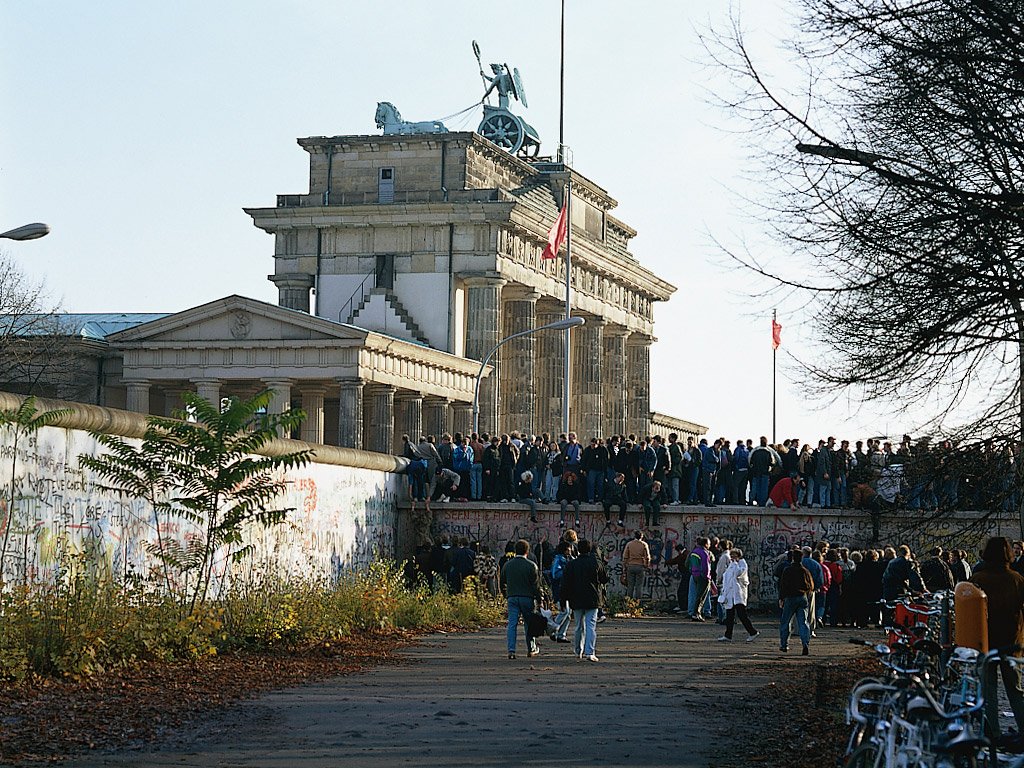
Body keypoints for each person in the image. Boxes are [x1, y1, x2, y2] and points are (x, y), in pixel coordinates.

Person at [970, 537, 1024, 739]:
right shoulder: (1017, 579)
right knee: (1015, 690)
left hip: (985, 640)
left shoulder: (978, 579)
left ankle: (992, 732)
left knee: (988, 691)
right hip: (1012, 640)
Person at [561, 539, 609, 662]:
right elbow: (604, 579)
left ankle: (578, 651)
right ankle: (590, 652)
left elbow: (565, 584)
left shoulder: (572, 564)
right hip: (592, 598)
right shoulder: (595, 563)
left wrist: (563, 600)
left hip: (576, 599)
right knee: (590, 626)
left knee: (578, 626)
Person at [500, 539, 542, 659]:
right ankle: (531, 648)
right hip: (527, 598)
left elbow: (502, 582)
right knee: (529, 624)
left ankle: (511, 650)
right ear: (527, 551)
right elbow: (535, 585)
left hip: (512, 597)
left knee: (512, 624)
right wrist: (539, 599)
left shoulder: (507, 565)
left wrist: (505, 594)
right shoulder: (531, 565)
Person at [717, 548, 759, 642]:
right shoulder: (731, 565)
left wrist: (735, 564)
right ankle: (728, 635)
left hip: (738, 594)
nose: (732, 557)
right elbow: (727, 577)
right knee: (729, 616)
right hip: (731, 595)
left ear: (739, 555)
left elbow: (738, 574)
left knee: (742, 615)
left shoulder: (742, 564)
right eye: (731, 556)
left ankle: (752, 632)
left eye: (734, 555)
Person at [778, 549, 814, 655]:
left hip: (790, 598)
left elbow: (783, 585)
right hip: (802, 597)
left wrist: (781, 598)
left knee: (786, 622)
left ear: (793, 558)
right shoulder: (804, 571)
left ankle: (784, 644)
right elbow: (810, 585)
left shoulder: (788, 570)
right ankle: (805, 643)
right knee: (803, 622)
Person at [688, 537, 713, 621]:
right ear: (705, 544)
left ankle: (694, 613)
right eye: (709, 544)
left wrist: (692, 570)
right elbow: (706, 566)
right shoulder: (704, 553)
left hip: (694, 575)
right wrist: (707, 577)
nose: (710, 545)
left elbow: (688, 563)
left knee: (695, 595)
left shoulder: (694, 552)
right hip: (702, 576)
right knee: (701, 597)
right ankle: (697, 614)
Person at [622, 529, 650, 600]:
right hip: (640, 566)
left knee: (630, 586)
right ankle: (638, 603)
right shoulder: (644, 544)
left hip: (630, 566)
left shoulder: (629, 544)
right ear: (641, 536)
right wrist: (646, 565)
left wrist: (624, 567)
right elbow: (647, 557)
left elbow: (625, 557)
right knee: (639, 586)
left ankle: (629, 603)